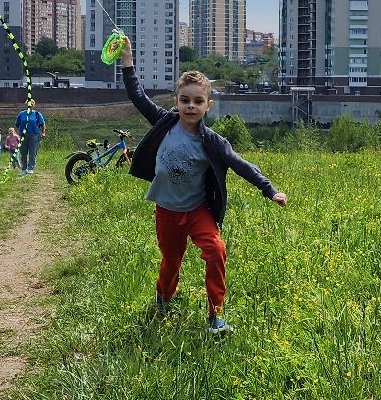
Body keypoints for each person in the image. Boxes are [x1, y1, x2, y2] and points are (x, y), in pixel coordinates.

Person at [120, 40, 286, 337]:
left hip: (198, 210)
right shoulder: (163, 123)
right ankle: (163, 299)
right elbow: (137, 95)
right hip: (167, 210)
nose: (191, 106)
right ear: (176, 101)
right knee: (171, 262)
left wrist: (269, 189)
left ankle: (216, 315)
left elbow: (240, 164)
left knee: (216, 249)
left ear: (208, 105)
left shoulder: (213, 142)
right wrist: (128, 60)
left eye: (198, 101)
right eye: (185, 100)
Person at [15, 102, 46, 173]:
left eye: (31, 105)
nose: (30, 106)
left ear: (34, 106)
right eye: (28, 105)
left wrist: (43, 132)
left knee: (32, 152)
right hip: (23, 135)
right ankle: (23, 168)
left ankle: (30, 168)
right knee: (23, 153)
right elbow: (17, 125)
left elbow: (43, 124)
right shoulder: (21, 114)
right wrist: (16, 134)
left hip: (34, 135)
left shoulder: (37, 114)